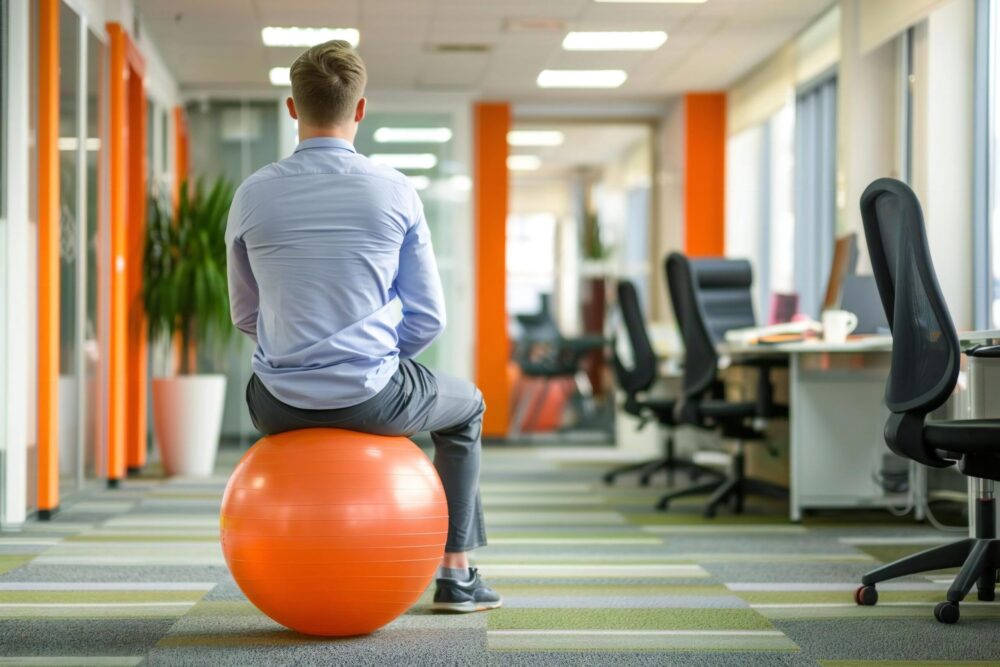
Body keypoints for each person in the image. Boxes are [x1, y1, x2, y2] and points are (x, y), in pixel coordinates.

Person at [225, 40, 501, 614]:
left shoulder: (252, 193)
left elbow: (245, 314)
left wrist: (296, 350)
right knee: (469, 405)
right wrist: (372, 358)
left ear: (293, 108)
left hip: (274, 401)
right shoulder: (394, 190)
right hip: (373, 395)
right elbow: (428, 316)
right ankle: (456, 573)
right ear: (361, 109)